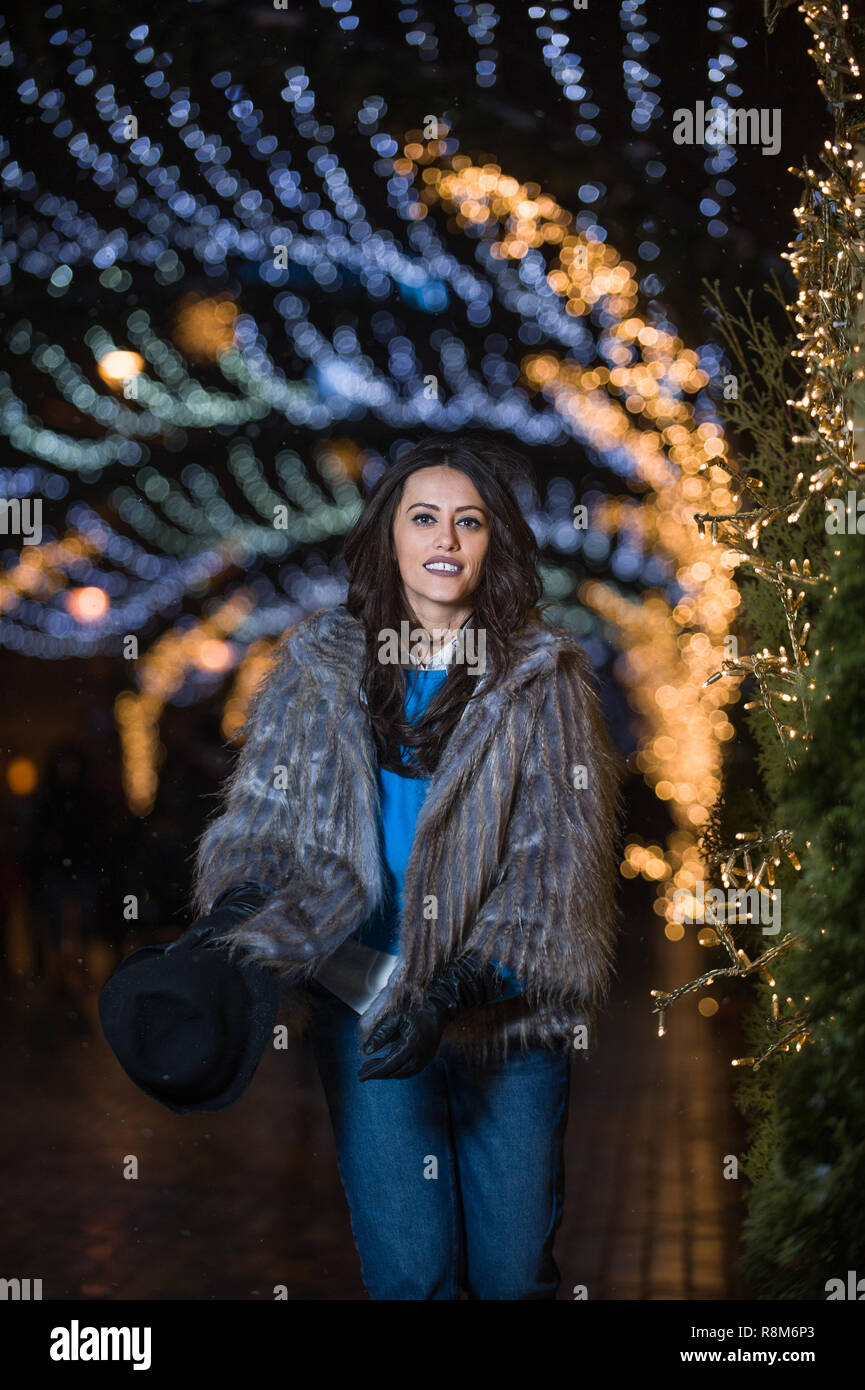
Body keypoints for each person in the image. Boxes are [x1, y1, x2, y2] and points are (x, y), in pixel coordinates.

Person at [186, 433, 625, 1299]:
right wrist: (228, 917)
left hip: (503, 1023)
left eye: (468, 521)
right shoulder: (316, 671)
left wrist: (453, 990)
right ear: (389, 536)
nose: (446, 540)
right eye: (424, 518)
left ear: (495, 539)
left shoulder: (543, 680)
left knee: (510, 1278)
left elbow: (552, 873)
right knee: (411, 1278)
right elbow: (265, 830)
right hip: (365, 1012)